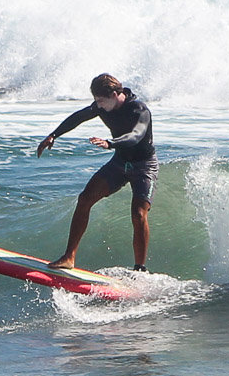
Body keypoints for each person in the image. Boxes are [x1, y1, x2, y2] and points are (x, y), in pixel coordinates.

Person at [36, 73, 156, 272]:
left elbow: (136, 135)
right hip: (120, 162)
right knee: (85, 199)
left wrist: (110, 143)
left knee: (138, 213)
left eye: (101, 101)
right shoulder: (102, 106)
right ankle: (69, 257)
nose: (98, 106)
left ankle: (139, 269)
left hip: (144, 165)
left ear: (116, 94)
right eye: (96, 101)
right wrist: (53, 135)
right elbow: (79, 117)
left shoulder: (139, 110)